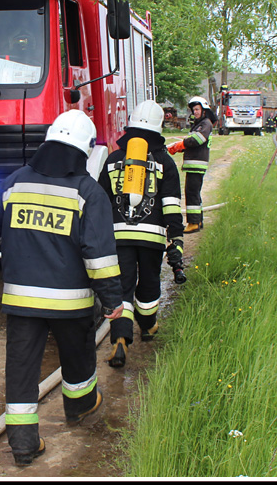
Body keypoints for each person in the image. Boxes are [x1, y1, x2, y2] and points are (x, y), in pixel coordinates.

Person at [0, 109, 124, 467]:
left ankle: (25, 445)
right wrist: (112, 300)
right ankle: (80, 407)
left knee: (21, 371)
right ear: (83, 150)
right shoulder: (88, 191)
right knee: (78, 359)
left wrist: (11, 249)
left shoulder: (13, 182)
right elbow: (98, 254)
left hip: (21, 300)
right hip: (70, 303)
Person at [98, 101, 185, 369]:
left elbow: (101, 200)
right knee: (148, 282)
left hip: (118, 236)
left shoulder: (114, 160)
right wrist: (176, 241)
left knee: (122, 285)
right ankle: (147, 326)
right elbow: (171, 205)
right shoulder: (165, 162)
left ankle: (120, 340)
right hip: (152, 238)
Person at [168, 96, 216, 234]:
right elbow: (191, 144)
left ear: (204, 110)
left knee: (191, 193)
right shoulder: (200, 124)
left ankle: (193, 222)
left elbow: (196, 140)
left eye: (197, 109)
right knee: (195, 193)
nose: (195, 112)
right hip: (194, 164)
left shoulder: (205, 124)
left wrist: (180, 144)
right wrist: (179, 148)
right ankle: (198, 220)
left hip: (197, 165)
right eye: (193, 109)